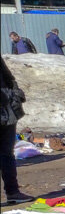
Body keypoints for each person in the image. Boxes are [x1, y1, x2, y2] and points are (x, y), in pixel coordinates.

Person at [1, 56, 32, 204]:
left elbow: (9, 78)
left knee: (7, 154)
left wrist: (16, 94)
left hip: (7, 111)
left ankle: (13, 191)